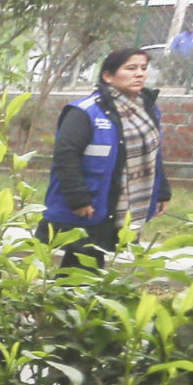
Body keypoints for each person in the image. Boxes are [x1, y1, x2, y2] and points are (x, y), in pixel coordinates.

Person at [42, 46, 170, 272]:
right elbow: (66, 155)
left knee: (89, 264)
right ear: (108, 76)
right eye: (130, 68)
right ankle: (69, 302)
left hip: (122, 202)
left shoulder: (148, 110)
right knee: (83, 262)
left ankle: (72, 302)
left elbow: (153, 153)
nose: (139, 74)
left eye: (143, 68)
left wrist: (162, 190)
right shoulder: (85, 111)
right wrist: (79, 198)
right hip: (92, 202)